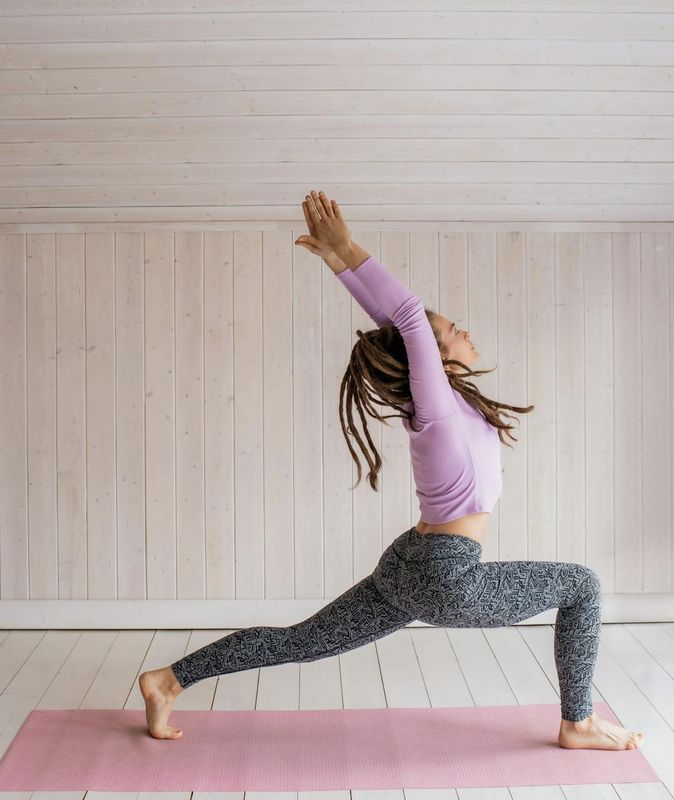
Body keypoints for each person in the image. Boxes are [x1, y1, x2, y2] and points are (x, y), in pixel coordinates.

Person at [139, 191, 645, 752]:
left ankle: (167, 680)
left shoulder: (436, 400)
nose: (468, 334)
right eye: (456, 330)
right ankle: (578, 723)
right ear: (436, 351)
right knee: (583, 586)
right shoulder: (435, 409)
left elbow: (399, 328)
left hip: (410, 561)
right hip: (445, 576)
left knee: (304, 640)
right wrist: (347, 247)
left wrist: (337, 262)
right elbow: (405, 317)